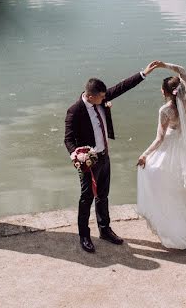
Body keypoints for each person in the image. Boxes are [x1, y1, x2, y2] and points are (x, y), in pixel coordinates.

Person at [65, 61, 160, 253]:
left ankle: (105, 230)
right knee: (86, 198)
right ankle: (84, 235)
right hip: (88, 163)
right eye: (101, 97)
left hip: (104, 157)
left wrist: (144, 73)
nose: (105, 99)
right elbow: (68, 139)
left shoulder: (100, 98)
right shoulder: (75, 111)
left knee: (103, 196)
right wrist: (77, 155)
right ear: (90, 96)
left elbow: (122, 87)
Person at [136, 62, 186, 249]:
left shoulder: (165, 110)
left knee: (160, 182)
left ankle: (172, 225)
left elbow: (159, 139)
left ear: (163, 92)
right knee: (181, 188)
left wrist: (144, 155)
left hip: (169, 148)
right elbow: (183, 70)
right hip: (183, 150)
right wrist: (165, 65)